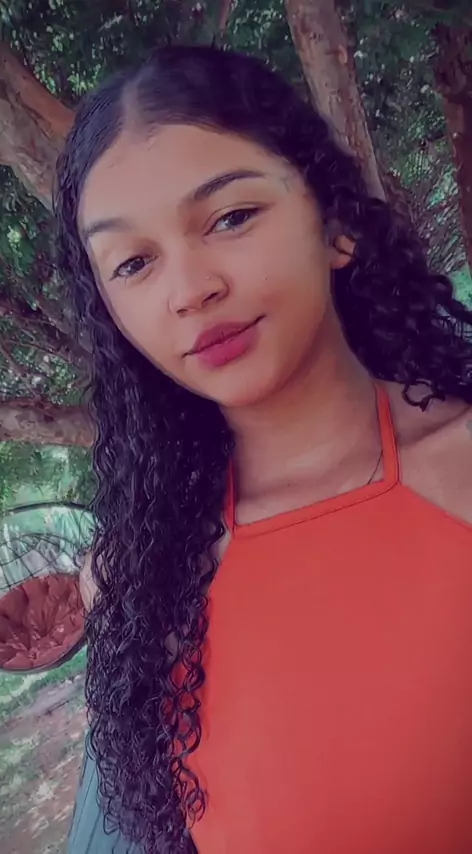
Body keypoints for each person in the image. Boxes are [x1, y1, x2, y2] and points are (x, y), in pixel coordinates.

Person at [56, 44, 472, 854]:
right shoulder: (138, 579)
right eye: (134, 263)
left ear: (336, 224)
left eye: (231, 217)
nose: (190, 290)